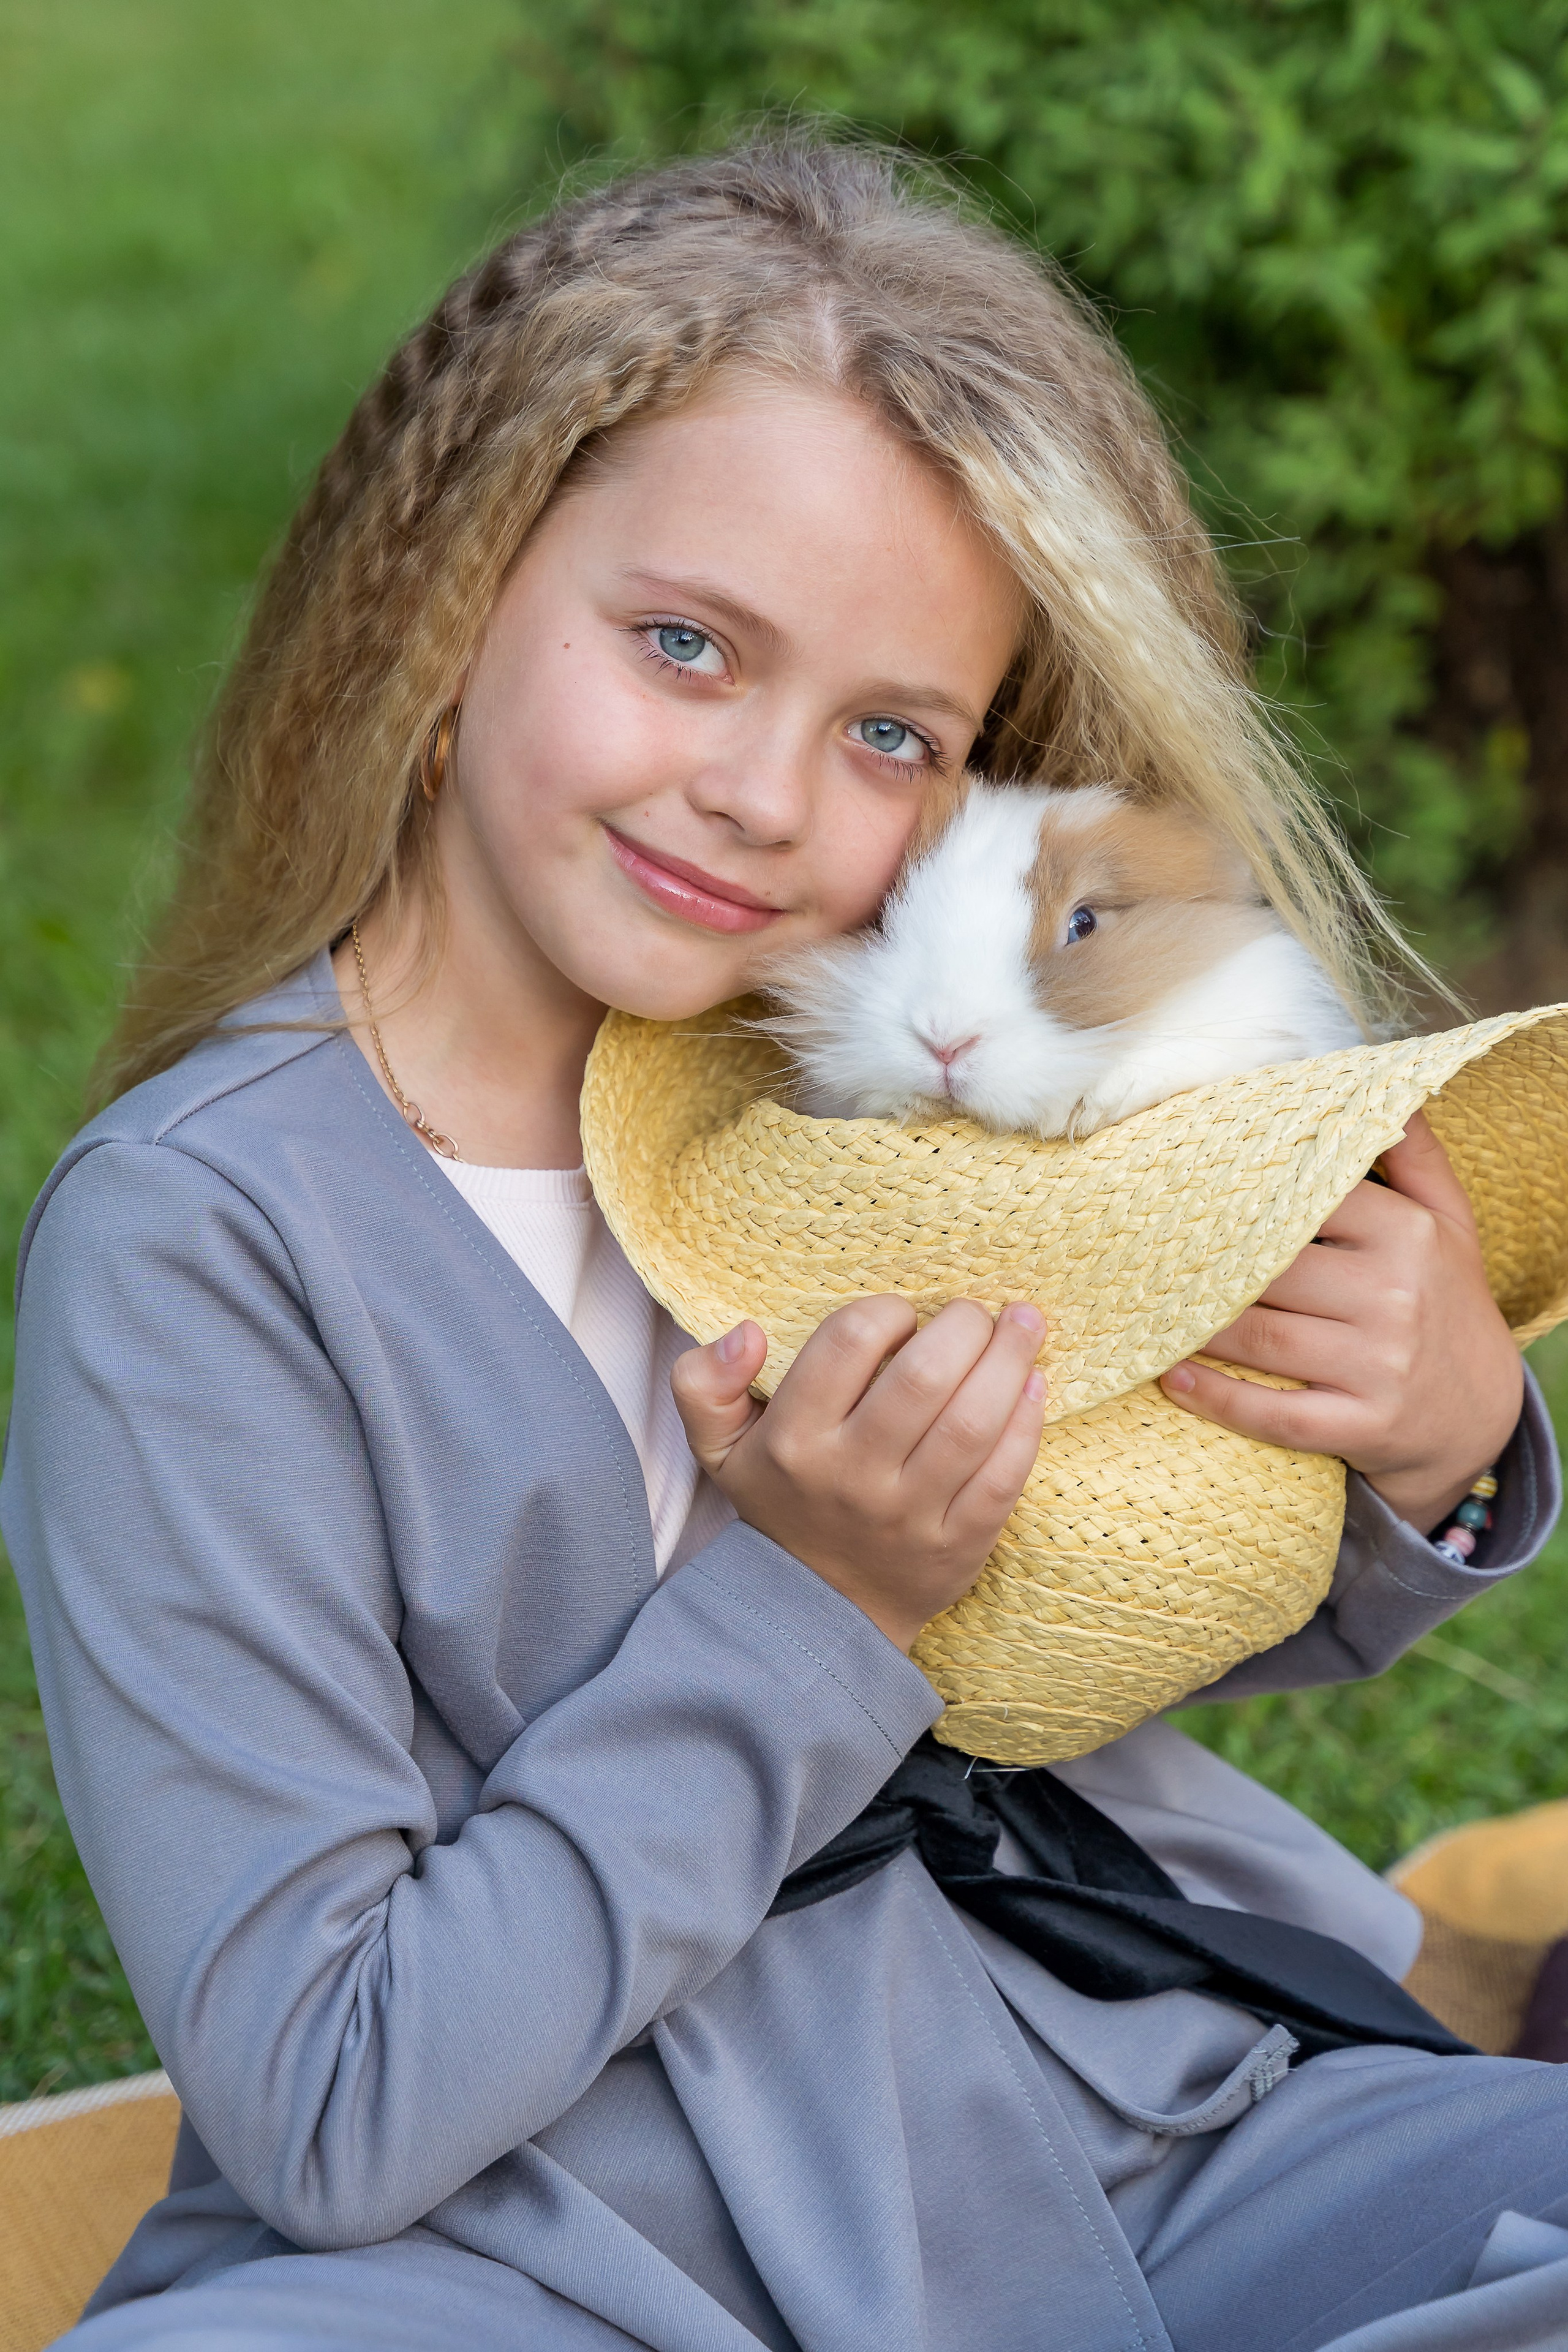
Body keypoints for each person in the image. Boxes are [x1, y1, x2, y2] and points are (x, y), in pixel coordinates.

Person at [3, 139, 1564, 2352]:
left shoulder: (874, 1076)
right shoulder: (203, 1242)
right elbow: (328, 2101)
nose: (763, 793)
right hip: (567, 2252)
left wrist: (1431, 1444)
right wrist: (810, 1608)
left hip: (1130, 2123)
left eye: (890, 736)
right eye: (682, 646)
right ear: (446, 607)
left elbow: (1094, 1594)